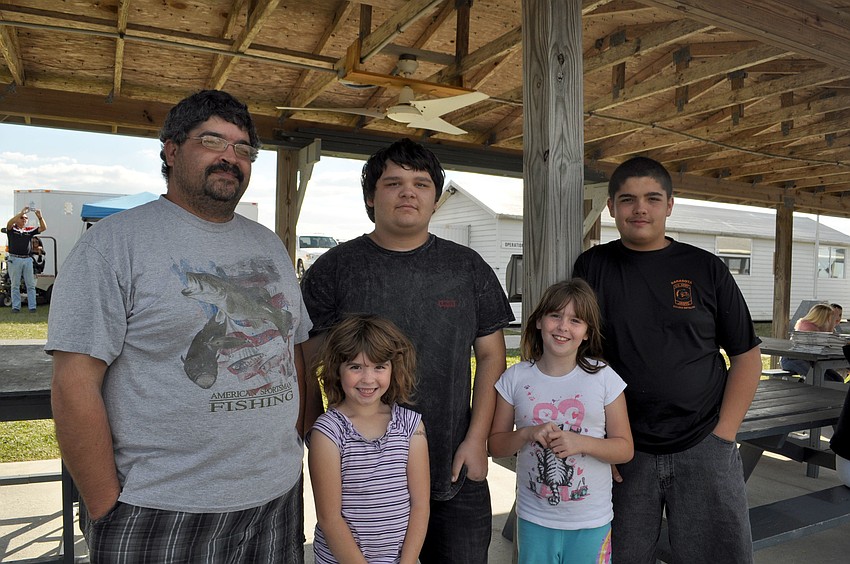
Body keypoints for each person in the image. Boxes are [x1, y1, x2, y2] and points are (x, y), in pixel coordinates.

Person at [46, 90, 312, 563]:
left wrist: (292, 448)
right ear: (171, 150)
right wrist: (105, 506)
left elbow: (293, 348)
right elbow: (73, 384)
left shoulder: (269, 244)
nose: (231, 159)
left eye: (244, 149)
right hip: (159, 505)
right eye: (213, 141)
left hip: (276, 498)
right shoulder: (112, 244)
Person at [300, 137, 514, 563]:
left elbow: (492, 357)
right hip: (364, 475)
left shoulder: (467, 266)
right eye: (393, 183)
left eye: (421, 183)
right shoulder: (336, 268)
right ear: (370, 197)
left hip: (455, 461)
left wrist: (478, 440)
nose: (408, 192)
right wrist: (309, 427)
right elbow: (303, 361)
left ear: (435, 198)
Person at [573, 156, 763, 563]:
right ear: (611, 207)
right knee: (619, 555)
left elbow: (746, 356)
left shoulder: (706, 268)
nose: (640, 208)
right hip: (626, 450)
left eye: (652, 198)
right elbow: (581, 358)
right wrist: (602, 441)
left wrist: (723, 436)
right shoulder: (593, 267)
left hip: (703, 442)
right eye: (628, 199)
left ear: (670, 205)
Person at [488, 279, 633, 564]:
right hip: (534, 520)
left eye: (575, 320)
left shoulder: (605, 378)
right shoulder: (515, 379)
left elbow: (625, 449)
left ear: (587, 332)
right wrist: (527, 433)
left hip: (591, 522)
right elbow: (495, 445)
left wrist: (580, 442)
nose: (563, 326)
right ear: (540, 321)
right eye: (555, 315)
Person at [308, 314, 430, 563]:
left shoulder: (412, 426)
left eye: (379, 366)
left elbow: (420, 505)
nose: (368, 378)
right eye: (355, 367)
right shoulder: (328, 432)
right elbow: (330, 519)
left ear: (393, 369)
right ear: (337, 369)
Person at [781, 303, 843, 382]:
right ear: (822, 317)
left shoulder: (820, 326)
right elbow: (823, 342)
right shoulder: (807, 326)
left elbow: (833, 341)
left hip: (811, 361)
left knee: (838, 379)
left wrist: (831, 326)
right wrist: (830, 326)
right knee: (823, 379)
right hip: (793, 359)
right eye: (830, 317)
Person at [5, 206, 46, 313]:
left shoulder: (29, 230)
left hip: (27, 259)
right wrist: (21, 212)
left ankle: (32, 307)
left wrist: (40, 217)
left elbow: (43, 228)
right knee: (15, 285)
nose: (24, 220)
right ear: (17, 219)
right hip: (14, 259)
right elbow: (9, 224)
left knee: (31, 285)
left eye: (26, 218)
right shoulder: (12, 229)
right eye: (22, 218)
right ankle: (16, 307)